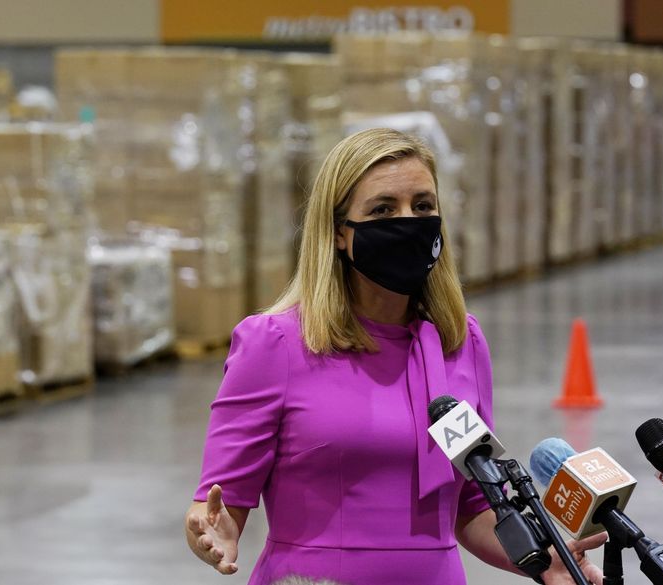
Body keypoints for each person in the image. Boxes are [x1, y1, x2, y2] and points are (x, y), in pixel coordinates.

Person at [184, 128, 605, 584]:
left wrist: (544, 560)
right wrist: (214, 531)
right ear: (339, 233)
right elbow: (220, 503)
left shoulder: (459, 343)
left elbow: (472, 505)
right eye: (383, 209)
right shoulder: (275, 344)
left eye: (423, 206)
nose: (409, 221)